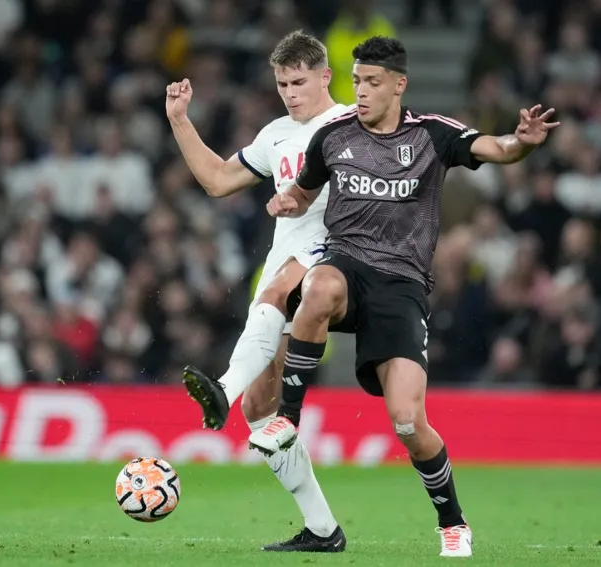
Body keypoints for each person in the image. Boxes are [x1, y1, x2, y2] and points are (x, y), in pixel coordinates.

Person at [249, 36, 560, 558]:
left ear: (399, 84)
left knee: (408, 422)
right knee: (318, 285)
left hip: (401, 287)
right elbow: (303, 190)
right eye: (357, 82)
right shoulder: (333, 136)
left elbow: (496, 148)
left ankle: (453, 522)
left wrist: (522, 142)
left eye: (372, 83)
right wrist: (286, 200)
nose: (361, 93)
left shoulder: (432, 135)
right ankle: (287, 419)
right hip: (346, 267)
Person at [165, 31, 349, 552]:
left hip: (332, 255)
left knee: (273, 296)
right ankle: (322, 530)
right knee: (261, 410)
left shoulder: (349, 126)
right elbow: (219, 181)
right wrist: (180, 121)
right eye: (282, 83)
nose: (291, 93)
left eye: (299, 81)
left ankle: (221, 390)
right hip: (284, 256)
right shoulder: (275, 135)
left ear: (324, 76)